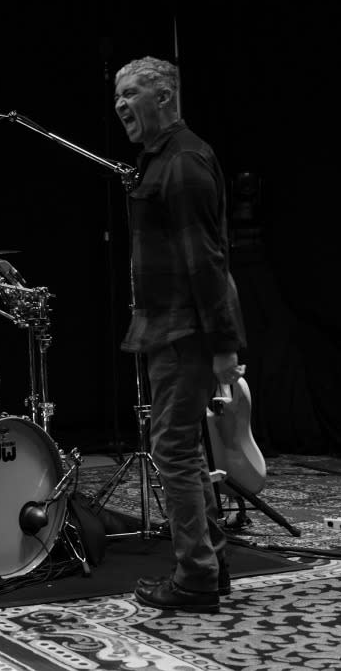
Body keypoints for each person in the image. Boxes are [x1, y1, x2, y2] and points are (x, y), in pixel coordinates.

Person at [113, 56, 247, 613]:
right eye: (116, 94)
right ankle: (208, 563)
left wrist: (223, 346)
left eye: (132, 92)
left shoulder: (185, 162)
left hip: (186, 330)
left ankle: (194, 575)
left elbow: (206, 262)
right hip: (167, 326)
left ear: (164, 97)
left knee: (171, 447)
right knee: (181, 447)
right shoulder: (160, 160)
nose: (120, 103)